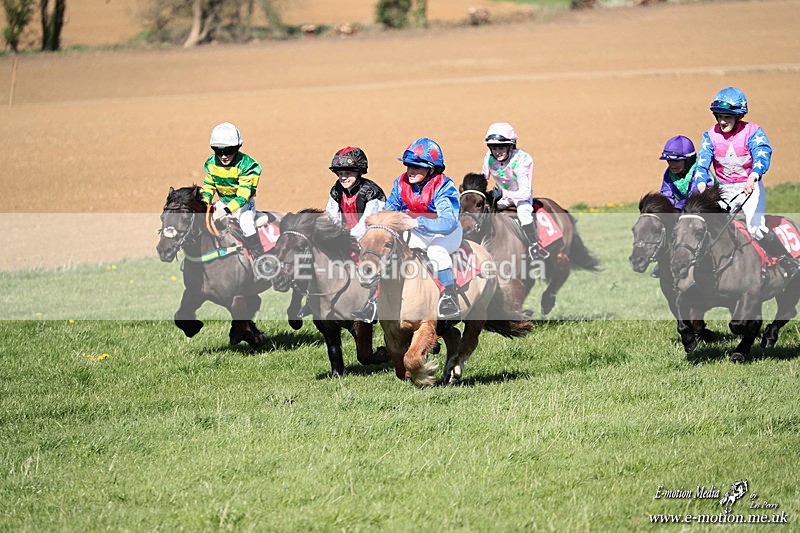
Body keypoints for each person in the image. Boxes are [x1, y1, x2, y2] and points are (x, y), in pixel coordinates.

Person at [351, 137, 463, 322]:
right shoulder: (401, 183)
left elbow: (448, 222)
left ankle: (448, 297)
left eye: (416, 167)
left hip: (445, 233)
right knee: (392, 252)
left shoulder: (443, 186)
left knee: (436, 251)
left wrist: (418, 223)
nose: (410, 171)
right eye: (408, 166)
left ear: (431, 169)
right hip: (417, 231)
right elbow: (390, 210)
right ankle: (373, 302)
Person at [693, 87, 798, 279]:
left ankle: (787, 262)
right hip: (723, 190)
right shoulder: (709, 136)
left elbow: (762, 154)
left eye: (728, 117)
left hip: (749, 188)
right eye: (719, 116)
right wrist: (702, 186)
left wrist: (753, 177)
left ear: (738, 117)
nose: (722, 121)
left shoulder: (753, 132)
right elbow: (701, 165)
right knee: (711, 227)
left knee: (755, 228)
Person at [200, 122, 267, 265]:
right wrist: (204, 203)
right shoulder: (211, 163)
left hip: (244, 205)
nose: (223, 156)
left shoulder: (248, 165)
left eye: (229, 150)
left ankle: (261, 259)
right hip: (222, 203)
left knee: (246, 224)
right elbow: (209, 186)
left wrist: (225, 211)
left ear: (237, 148)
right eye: (218, 151)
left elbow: (243, 195)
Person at [481, 122, 546, 260]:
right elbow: (483, 179)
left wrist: (502, 194)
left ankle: (534, 247)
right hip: (502, 198)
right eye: (493, 147)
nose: (497, 152)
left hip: (521, 198)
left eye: (501, 147)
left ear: (511, 146)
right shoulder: (488, 157)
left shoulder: (523, 159)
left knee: (525, 215)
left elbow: (525, 193)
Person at [325, 146, 386, 240]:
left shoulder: (371, 192)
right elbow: (332, 217)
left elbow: (367, 222)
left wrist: (349, 237)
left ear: (359, 172)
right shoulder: (336, 190)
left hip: (369, 238)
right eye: (340, 173)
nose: (343, 177)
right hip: (345, 238)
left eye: (348, 173)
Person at [659, 135, 702, 209]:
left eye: (676, 161)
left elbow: (693, 198)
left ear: (688, 161)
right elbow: (666, 197)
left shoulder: (700, 171)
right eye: (669, 160)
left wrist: (677, 209)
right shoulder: (668, 174)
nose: (671, 165)